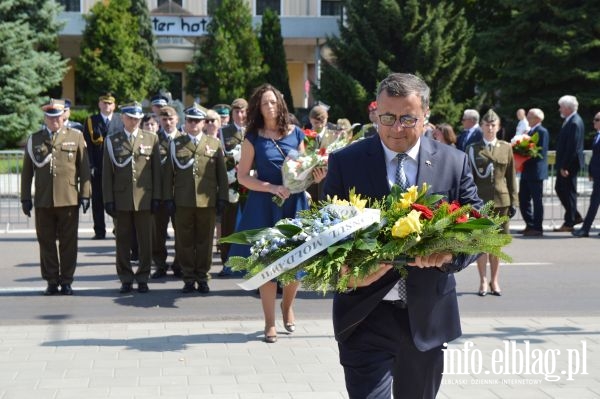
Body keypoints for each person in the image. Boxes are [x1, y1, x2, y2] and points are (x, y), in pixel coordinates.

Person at [322, 73, 483, 398]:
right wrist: (348, 274)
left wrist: (450, 255)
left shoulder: (454, 162)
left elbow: (481, 229)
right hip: (364, 316)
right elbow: (326, 237)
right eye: (388, 118)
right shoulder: (346, 162)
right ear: (375, 114)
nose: (397, 128)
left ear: (425, 115)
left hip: (426, 319)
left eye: (408, 118)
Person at [228, 84, 326, 343]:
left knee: (296, 262)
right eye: (264, 103)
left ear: (280, 104)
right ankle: (269, 322)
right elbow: (242, 177)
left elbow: (303, 170)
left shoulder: (296, 135)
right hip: (264, 206)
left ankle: (287, 306)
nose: (269, 107)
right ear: (257, 108)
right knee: (267, 264)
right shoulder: (253, 138)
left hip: (294, 206)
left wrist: (314, 175)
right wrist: (271, 186)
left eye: (273, 102)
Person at [20, 99, 91, 295]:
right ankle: (52, 280)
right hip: (43, 200)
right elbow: (27, 172)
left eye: (57, 117)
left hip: (68, 199)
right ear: (45, 118)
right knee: (46, 242)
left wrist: (85, 194)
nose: (54, 121)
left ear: (63, 116)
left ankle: (67, 280)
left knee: (69, 243)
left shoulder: (76, 137)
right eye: (50, 117)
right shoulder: (35, 139)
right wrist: (25, 197)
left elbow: (84, 169)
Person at [163, 104, 229, 294]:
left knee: (205, 242)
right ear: (186, 122)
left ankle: (203, 276)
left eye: (197, 121)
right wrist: (168, 198)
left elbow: (221, 175)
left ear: (203, 123)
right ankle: (188, 278)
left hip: (207, 201)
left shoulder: (213, 143)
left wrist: (222, 197)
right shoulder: (176, 144)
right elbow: (169, 174)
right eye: (190, 120)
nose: (193, 124)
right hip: (183, 201)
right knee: (184, 242)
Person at [102, 102, 161, 294]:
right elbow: (107, 174)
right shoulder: (113, 140)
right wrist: (108, 200)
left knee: (146, 242)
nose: (134, 121)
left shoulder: (151, 139)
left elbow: (156, 172)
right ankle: (126, 277)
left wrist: (157, 197)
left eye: (137, 118)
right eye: (130, 118)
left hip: (145, 198)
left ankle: (143, 277)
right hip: (122, 199)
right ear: (122, 118)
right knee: (122, 242)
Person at [466, 109, 518, 297]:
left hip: (500, 201)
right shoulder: (473, 149)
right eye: (487, 124)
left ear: (498, 127)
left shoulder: (506, 147)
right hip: (479, 203)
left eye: (493, 125)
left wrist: (514, 201)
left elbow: (511, 176)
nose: (490, 128)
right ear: (481, 127)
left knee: (495, 245)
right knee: (480, 244)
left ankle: (494, 280)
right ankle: (482, 281)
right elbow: (468, 178)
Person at [83, 92, 124, 239]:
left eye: (110, 103)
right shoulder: (91, 121)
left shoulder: (121, 120)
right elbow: (87, 146)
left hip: (117, 167)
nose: (107, 106)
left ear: (114, 105)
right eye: (104, 103)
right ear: (99, 104)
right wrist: (91, 165)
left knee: (118, 199)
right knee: (98, 201)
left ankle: (118, 228)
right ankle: (99, 231)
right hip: (98, 167)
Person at [151, 106, 183, 279]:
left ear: (177, 119)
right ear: (160, 121)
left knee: (181, 233)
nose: (168, 122)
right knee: (158, 233)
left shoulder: (184, 140)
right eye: (164, 119)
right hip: (160, 195)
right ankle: (160, 265)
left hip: (179, 195)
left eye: (171, 119)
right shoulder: (153, 141)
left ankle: (179, 264)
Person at [217, 98, 248, 277]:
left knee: (249, 225)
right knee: (228, 225)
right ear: (232, 114)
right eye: (236, 112)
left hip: (250, 186)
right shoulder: (224, 132)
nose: (240, 115)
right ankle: (226, 262)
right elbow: (221, 160)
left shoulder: (254, 130)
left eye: (243, 111)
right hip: (231, 185)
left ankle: (249, 263)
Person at [553, 95, 585, 232]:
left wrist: (565, 166)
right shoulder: (570, 120)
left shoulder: (574, 122)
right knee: (561, 189)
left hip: (569, 165)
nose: (560, 109)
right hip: (566, 164)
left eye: (561, 107)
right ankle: (575, 216)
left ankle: (570, 222)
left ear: (567, 108)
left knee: (567, 191)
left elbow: (572, 147)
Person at [519, 108, 550, 237]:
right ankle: (530, 224)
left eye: (530, 116)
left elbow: (539, 152)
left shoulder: (542, 131)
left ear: (537, 118)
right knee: (523, 199)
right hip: (527, 170)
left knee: (537, 200)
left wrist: (524, 154)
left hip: (536, 172)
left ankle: (537, 227)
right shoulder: (530, 131)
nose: (527, 118)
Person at [573, 112, 600, 237]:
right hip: (597, 174)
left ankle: (585, 229)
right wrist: (590, 172)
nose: (594, 122)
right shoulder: (597, 136)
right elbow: (595, 156)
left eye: (597, 119)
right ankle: (585, 228)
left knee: (594, 201)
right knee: (594, 201)